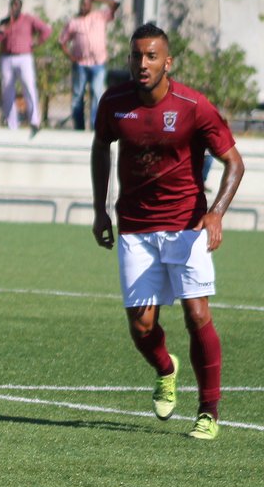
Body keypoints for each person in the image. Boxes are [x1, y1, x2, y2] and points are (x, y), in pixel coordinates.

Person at [91, 23, 245, 441]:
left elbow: (234, 162)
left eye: (151, 56)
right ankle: (166, 368)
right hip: (135, 227)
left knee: (197, 315)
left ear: (168, 62)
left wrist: (216, 213)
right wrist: (100, 210)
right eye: (136, 56)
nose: (142, 63)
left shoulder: (193, 105)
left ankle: (208, 411)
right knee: (142, 328)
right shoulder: (114, 102)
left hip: (186, 226)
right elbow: (101, 147)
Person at [59, 0, 120, 131]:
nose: (84, 6)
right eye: (82, 4)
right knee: (77, 96)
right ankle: (79, 128)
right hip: (80, 64)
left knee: (97, 95)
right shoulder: (74, 22)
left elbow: (115, 5)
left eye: (87, 4)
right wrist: (70, 56)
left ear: (91, 5)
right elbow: (62, 41)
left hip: (98, 63)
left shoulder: (100, 16)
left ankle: (95, 127)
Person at [0, 0, 52, 136]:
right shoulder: (4, 21)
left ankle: (34, 120)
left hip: (24, 56)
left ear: (20, 7)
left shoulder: (28, 19)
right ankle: (11, 123)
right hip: (7, 57)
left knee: (29, 86)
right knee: (7, 90)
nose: (13, 8)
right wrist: (3, 30)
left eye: (16, 5)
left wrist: (36, 42)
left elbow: (46, 30)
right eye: (12, 5)